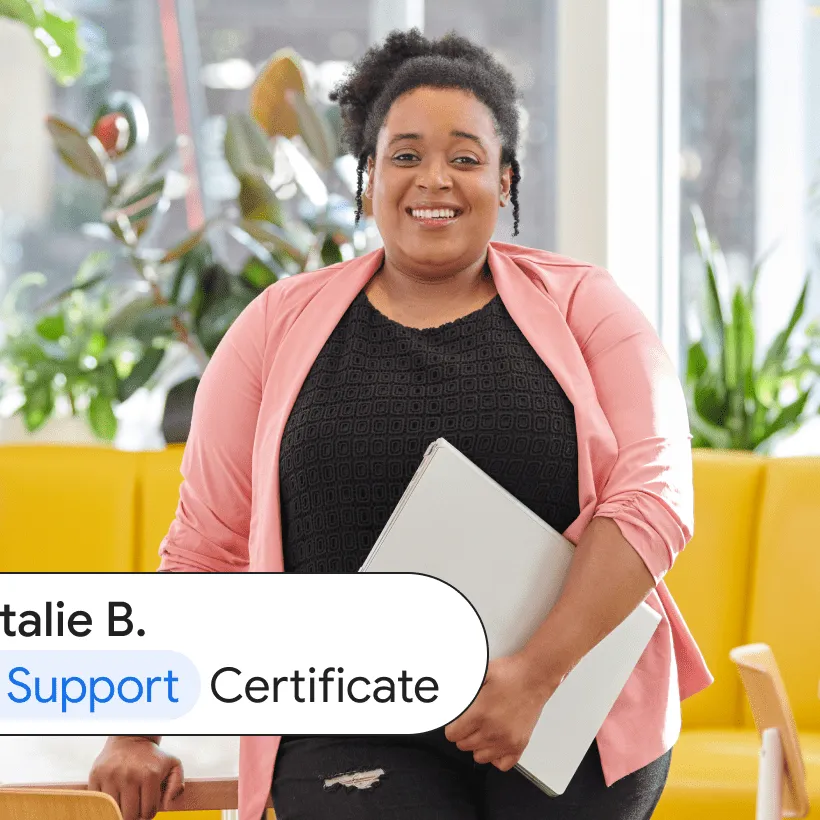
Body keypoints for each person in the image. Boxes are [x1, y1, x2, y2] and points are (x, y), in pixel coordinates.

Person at [88, 28, 712, 820]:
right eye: (406, 155)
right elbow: (206, 544)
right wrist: (132, 729)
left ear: (505, 178)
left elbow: (657, 495)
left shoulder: (588, 305)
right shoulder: (275, 325)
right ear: (369, 177)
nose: (434, 179)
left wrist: (536, 675)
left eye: (465, 155)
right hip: (353, 718)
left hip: (567, 703)